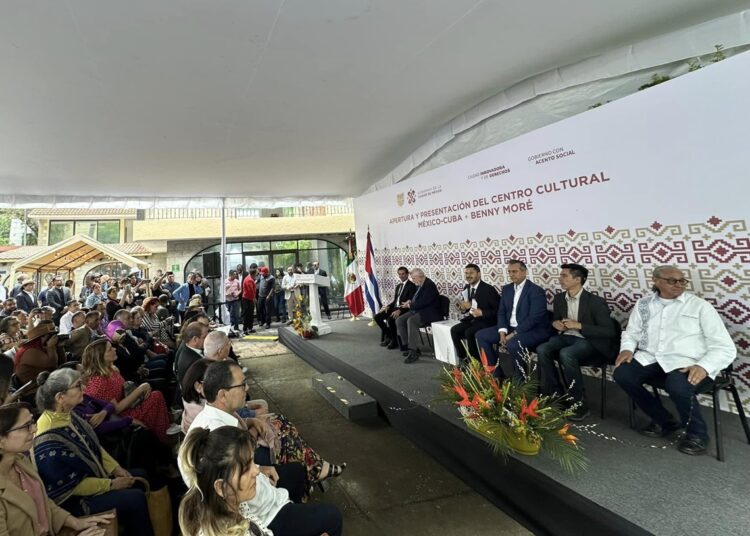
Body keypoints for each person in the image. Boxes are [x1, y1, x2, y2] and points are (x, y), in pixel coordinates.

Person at [180, 361, 344, 536]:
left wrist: (260, 469)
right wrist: (275, 499)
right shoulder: (215, 433)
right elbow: (231, 496)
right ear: (222, 395)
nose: (247, 388)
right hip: (263, 512)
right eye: (242, 384)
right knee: (332, 517)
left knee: (297, 471)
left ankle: (310, 481)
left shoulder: (219, 420)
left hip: (261, 498)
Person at [613, 265, 736, 455]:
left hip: (687, 361)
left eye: (682, 281)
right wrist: (627, 349)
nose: (678, 285)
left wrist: (704, 366)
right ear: (656, 281)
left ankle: (698, 434)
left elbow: (725, 347)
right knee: (623, 374)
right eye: (672, 281)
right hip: (651, 356)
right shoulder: (644, 304)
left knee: (677, 385)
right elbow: (632, 332)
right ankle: (664, 421)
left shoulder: (699, 306)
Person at [33, 369, 153, 535]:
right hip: (75, 501)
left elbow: (94, 446)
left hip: (95, 478)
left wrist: (116, 469)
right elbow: (71, 487)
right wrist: (111, 484)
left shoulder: (68, 414)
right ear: (60, 397)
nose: (83, 388)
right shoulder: (47, 439)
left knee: (141, 475)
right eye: (77, 386)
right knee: (136, 498)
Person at [0, 403, 115, 536]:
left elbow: (43, 503)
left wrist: (75, 522)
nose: (34, 429)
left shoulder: (21, 462)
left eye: (32, 422)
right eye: (26, 426)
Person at [536, 263, 617, 420]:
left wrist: (579, 325)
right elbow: (555, 320)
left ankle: (578, 401)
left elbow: (609, 331)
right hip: (566, 336)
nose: (560, 278)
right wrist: (556, 324)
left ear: (578, 279)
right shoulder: (559, 298)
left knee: (567, 354)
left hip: (588, 340)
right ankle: (556, 391)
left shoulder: (596, 302)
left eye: (564, 276)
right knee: (542, 349)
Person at [82, 338, 173, 443]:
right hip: (118, 416)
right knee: (156, 396)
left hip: (127, 406)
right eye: (110, 349)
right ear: (100, 357)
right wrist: (140, 389)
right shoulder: (99, 381)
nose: (115, 349)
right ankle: (162, 439)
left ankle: (164, 433)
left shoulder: (112, 369)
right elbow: (115, 409)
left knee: (156, 395)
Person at [475, 259, 554, 378]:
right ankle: (495, 373)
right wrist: (502, 332)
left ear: (524, 272)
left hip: (533, 330)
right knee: (481, 335)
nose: (511, 275)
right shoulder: (507, 289)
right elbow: (501, 312)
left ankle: (520, 379)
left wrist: (512, 335)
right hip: (510, 328)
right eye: (509, 272)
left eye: (515, 272)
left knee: (513, 344)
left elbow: (534, 319)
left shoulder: (536, 291)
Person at [449, 264, 500, 361]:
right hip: (473, 320)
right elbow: (468, 308)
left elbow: (498, 310)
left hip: (487, 321)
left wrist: (482, 313)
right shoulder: (466, 287)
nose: (468, 276)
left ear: (479, 274)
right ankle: (463, 358)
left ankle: (476, 361)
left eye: (471, 273)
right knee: (454, 330)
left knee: (469, 333)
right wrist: (463, 309)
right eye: (466, 273)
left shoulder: (488, 289)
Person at [395, 268, 442, 363]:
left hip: (430, 312)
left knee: (411, 321)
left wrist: (410, 305)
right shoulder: (420, 284)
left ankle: (413, 352)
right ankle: (410, 346)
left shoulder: (429, 285)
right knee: (399, 320)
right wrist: (410, 301)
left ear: (420, 277)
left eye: (413, 278)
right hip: (419, 310)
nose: (412, 280)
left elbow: (424, 302)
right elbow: (418, 299)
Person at [14, 320, 63, 399]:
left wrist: (60, 347)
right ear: (41, 337)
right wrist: (51, 347)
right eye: (49, 335)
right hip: (33, 391)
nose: (52, 337)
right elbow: (53, 364)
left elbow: (61, 364)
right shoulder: (30, 351)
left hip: (45, 383)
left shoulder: (40, 348)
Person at [374, 266, 416, 349]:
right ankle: (391, 337)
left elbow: (410, 303)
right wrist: (388, 306)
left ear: (407, 274)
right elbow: (395, 301)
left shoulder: (412, 286)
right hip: (394, 308)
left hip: (404, 309)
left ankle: (394, 341)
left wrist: (400, 310)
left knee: (390, 319)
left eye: (403, 274)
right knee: (377, 317)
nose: (401, 276)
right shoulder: (398, 286)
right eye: (399, 274)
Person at [242, 266, 257, 334]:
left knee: (250, 314)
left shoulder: (249, 278)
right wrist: (254, 298)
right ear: (253, 274)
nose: (256, 276)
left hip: (249, 299)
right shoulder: (249, 280)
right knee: (247, 315)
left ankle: (250, 328)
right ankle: (245, 329)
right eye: (255, 275)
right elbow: (250, 290)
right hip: (247, 299)